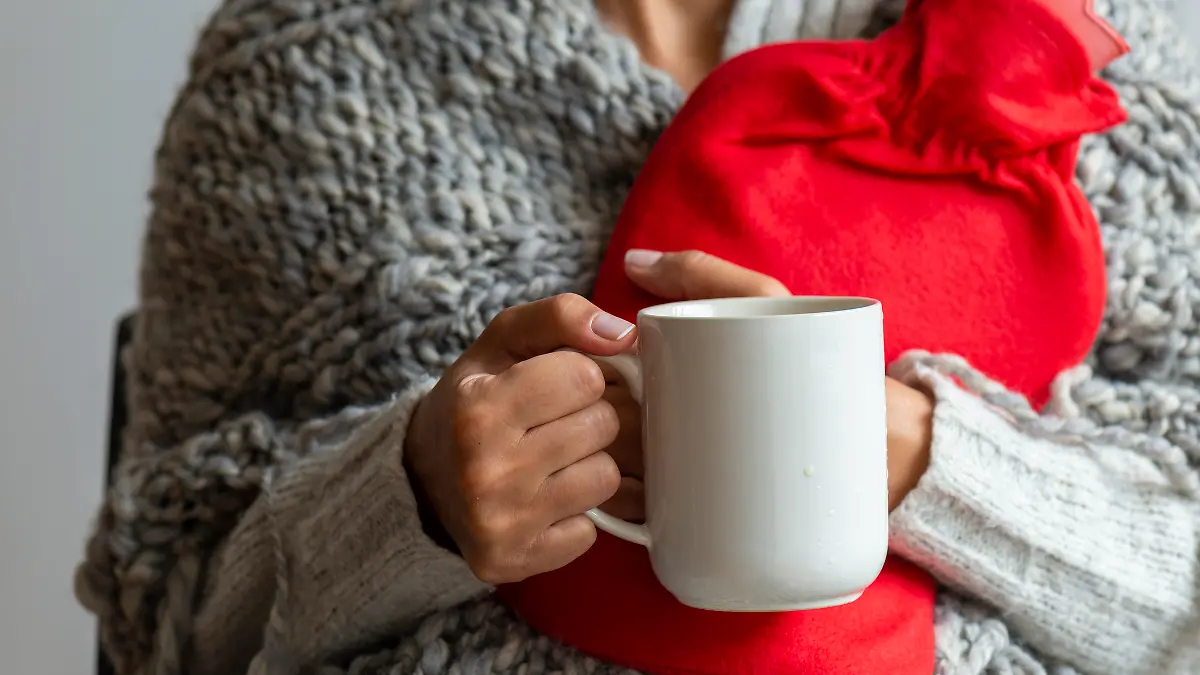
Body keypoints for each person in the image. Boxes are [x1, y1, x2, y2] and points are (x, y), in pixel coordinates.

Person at [74, 0, 1200, 673]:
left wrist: (923, 459)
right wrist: (406, 502)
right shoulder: (303, 66)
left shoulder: (1084, 46)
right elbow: (174, 630)